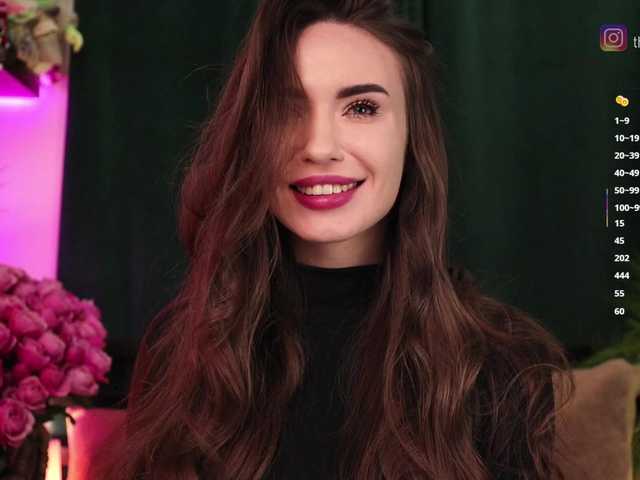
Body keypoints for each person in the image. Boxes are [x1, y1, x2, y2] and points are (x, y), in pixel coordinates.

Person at [93, 0, 576, 478]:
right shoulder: (181, 349)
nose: (319, 146)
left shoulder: (500, 362)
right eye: (287, 109)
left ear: (413, 138)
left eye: (361, 108)